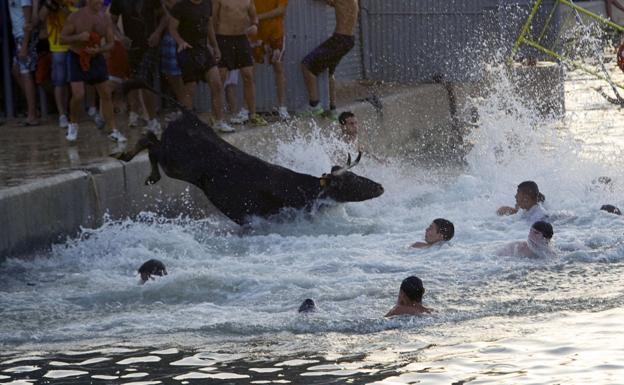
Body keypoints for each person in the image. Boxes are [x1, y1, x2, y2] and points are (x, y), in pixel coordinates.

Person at [60, 0, 126, 142]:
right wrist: (78, 37)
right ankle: (73, 124)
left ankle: (113, 129)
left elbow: (110, 43)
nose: (101, 2)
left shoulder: (104, 18)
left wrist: (99, 50)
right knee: (78, 95)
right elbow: (62, 39)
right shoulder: (75, 17)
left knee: (106, 94)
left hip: (96, 56)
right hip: (76, 56)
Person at [169, 0, 235, 133]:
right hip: (187, 50)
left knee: (217, 84)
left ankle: (218, 121)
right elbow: (172, 28)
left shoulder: (207, 4)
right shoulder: (180, 6)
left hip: (203, 49)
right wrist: (180, 42)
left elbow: (209, 26)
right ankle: (188, 125)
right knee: (190, 89)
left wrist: (215, 46)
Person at [110, 0, 166, 135]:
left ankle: (152, 120)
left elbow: (165, 16)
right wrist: (120, 36)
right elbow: (111, 21)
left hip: (149, 44)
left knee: (146, 81)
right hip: (132, 46)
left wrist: (157, 33)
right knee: (135, 81)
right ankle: (136, 112)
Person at [300, 0, 358, 118]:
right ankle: (332, 109)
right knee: (329, 72)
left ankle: (314, 104)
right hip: (349, 40)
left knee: (306, 65)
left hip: (339, 39)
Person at [213, 0, 267, 126]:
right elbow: (212, 20)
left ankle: (253, 114)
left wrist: (255, 25)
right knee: (220, 78)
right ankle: (218, 117)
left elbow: (254, 17)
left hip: (241, 39)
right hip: (223, 38)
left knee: (248, 75)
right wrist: (214, 43)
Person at [248, 0, 289, 121]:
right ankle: (249, 110)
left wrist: (257, 17)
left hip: (275, 33)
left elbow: (280, 10)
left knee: (278, 68)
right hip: (256, 34)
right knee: (249, 72)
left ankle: (282, 107)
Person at [39, 0, 75, 129]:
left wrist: (63, 8)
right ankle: (62, 115)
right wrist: (50, 4)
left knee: (75, 81)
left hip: (75, 43)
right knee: (60, 81)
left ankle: (75, 113)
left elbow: (77, 14)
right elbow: (41, 16)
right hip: (57, 45)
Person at [9, 0, 40, 126]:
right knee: (16, 71)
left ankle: (32, 115)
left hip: (24, 36)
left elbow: (28, 21)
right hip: (18, 35)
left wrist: (25, 44)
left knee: (25, 73)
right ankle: (33, 107)